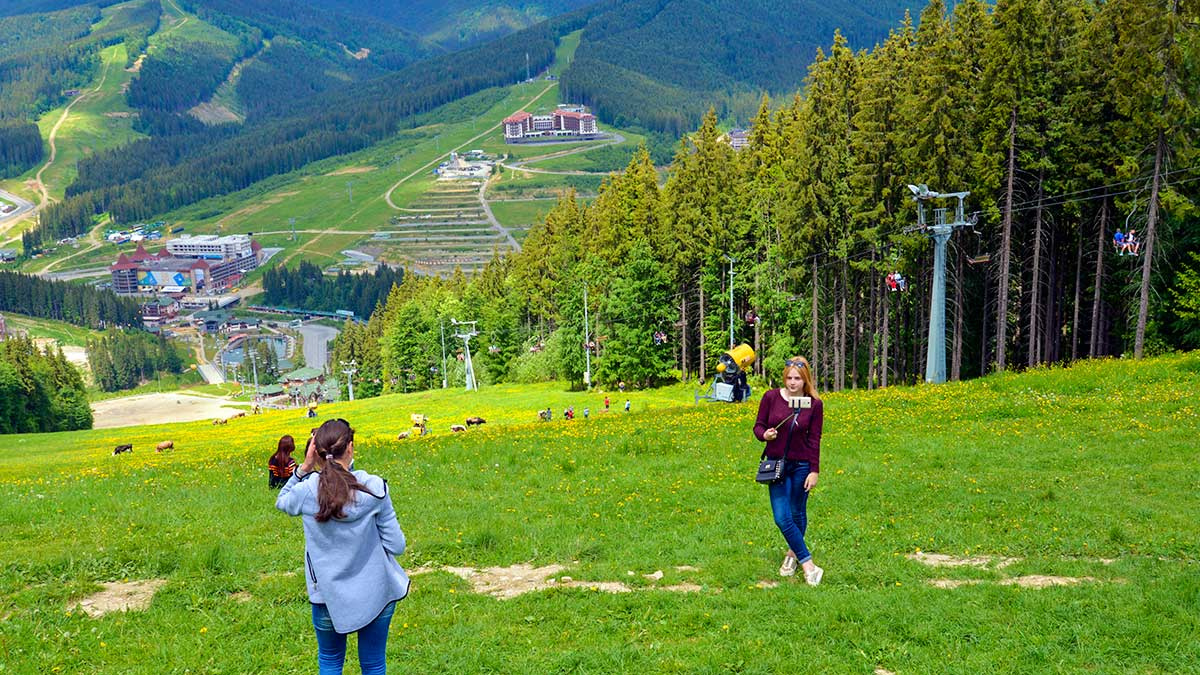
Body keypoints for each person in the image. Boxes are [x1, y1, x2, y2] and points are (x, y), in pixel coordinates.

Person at [276, 419, 409, 675]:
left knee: (330, 660)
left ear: (316, 450)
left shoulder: (306, 490)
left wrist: (303, 468)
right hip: (376, 592)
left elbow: (282, 501)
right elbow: (397, 545)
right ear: (350, 447)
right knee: (373, 664)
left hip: (325, 594)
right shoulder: (374, 488)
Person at [752, 356, 825, 585]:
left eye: (797, 379)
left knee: (797, 513)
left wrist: (814, 470)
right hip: (776, 465)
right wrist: (765, 435)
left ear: (805, 380)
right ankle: (809, 565)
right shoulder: (771, 397)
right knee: (782, 517)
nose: (792, 383)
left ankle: (792, 556)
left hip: (802, 465)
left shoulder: (814, 404)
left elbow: (814, 439)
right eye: (789, 378)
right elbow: (758, 426)